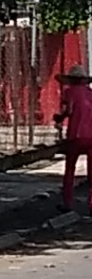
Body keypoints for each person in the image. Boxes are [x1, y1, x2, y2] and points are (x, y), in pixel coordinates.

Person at [53, 65, 92, 214]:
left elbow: (67, 111)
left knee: (70, 169)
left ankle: (67, 203)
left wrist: (59, 118)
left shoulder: (69, 93)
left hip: (76, 135)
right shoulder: (90, 93)